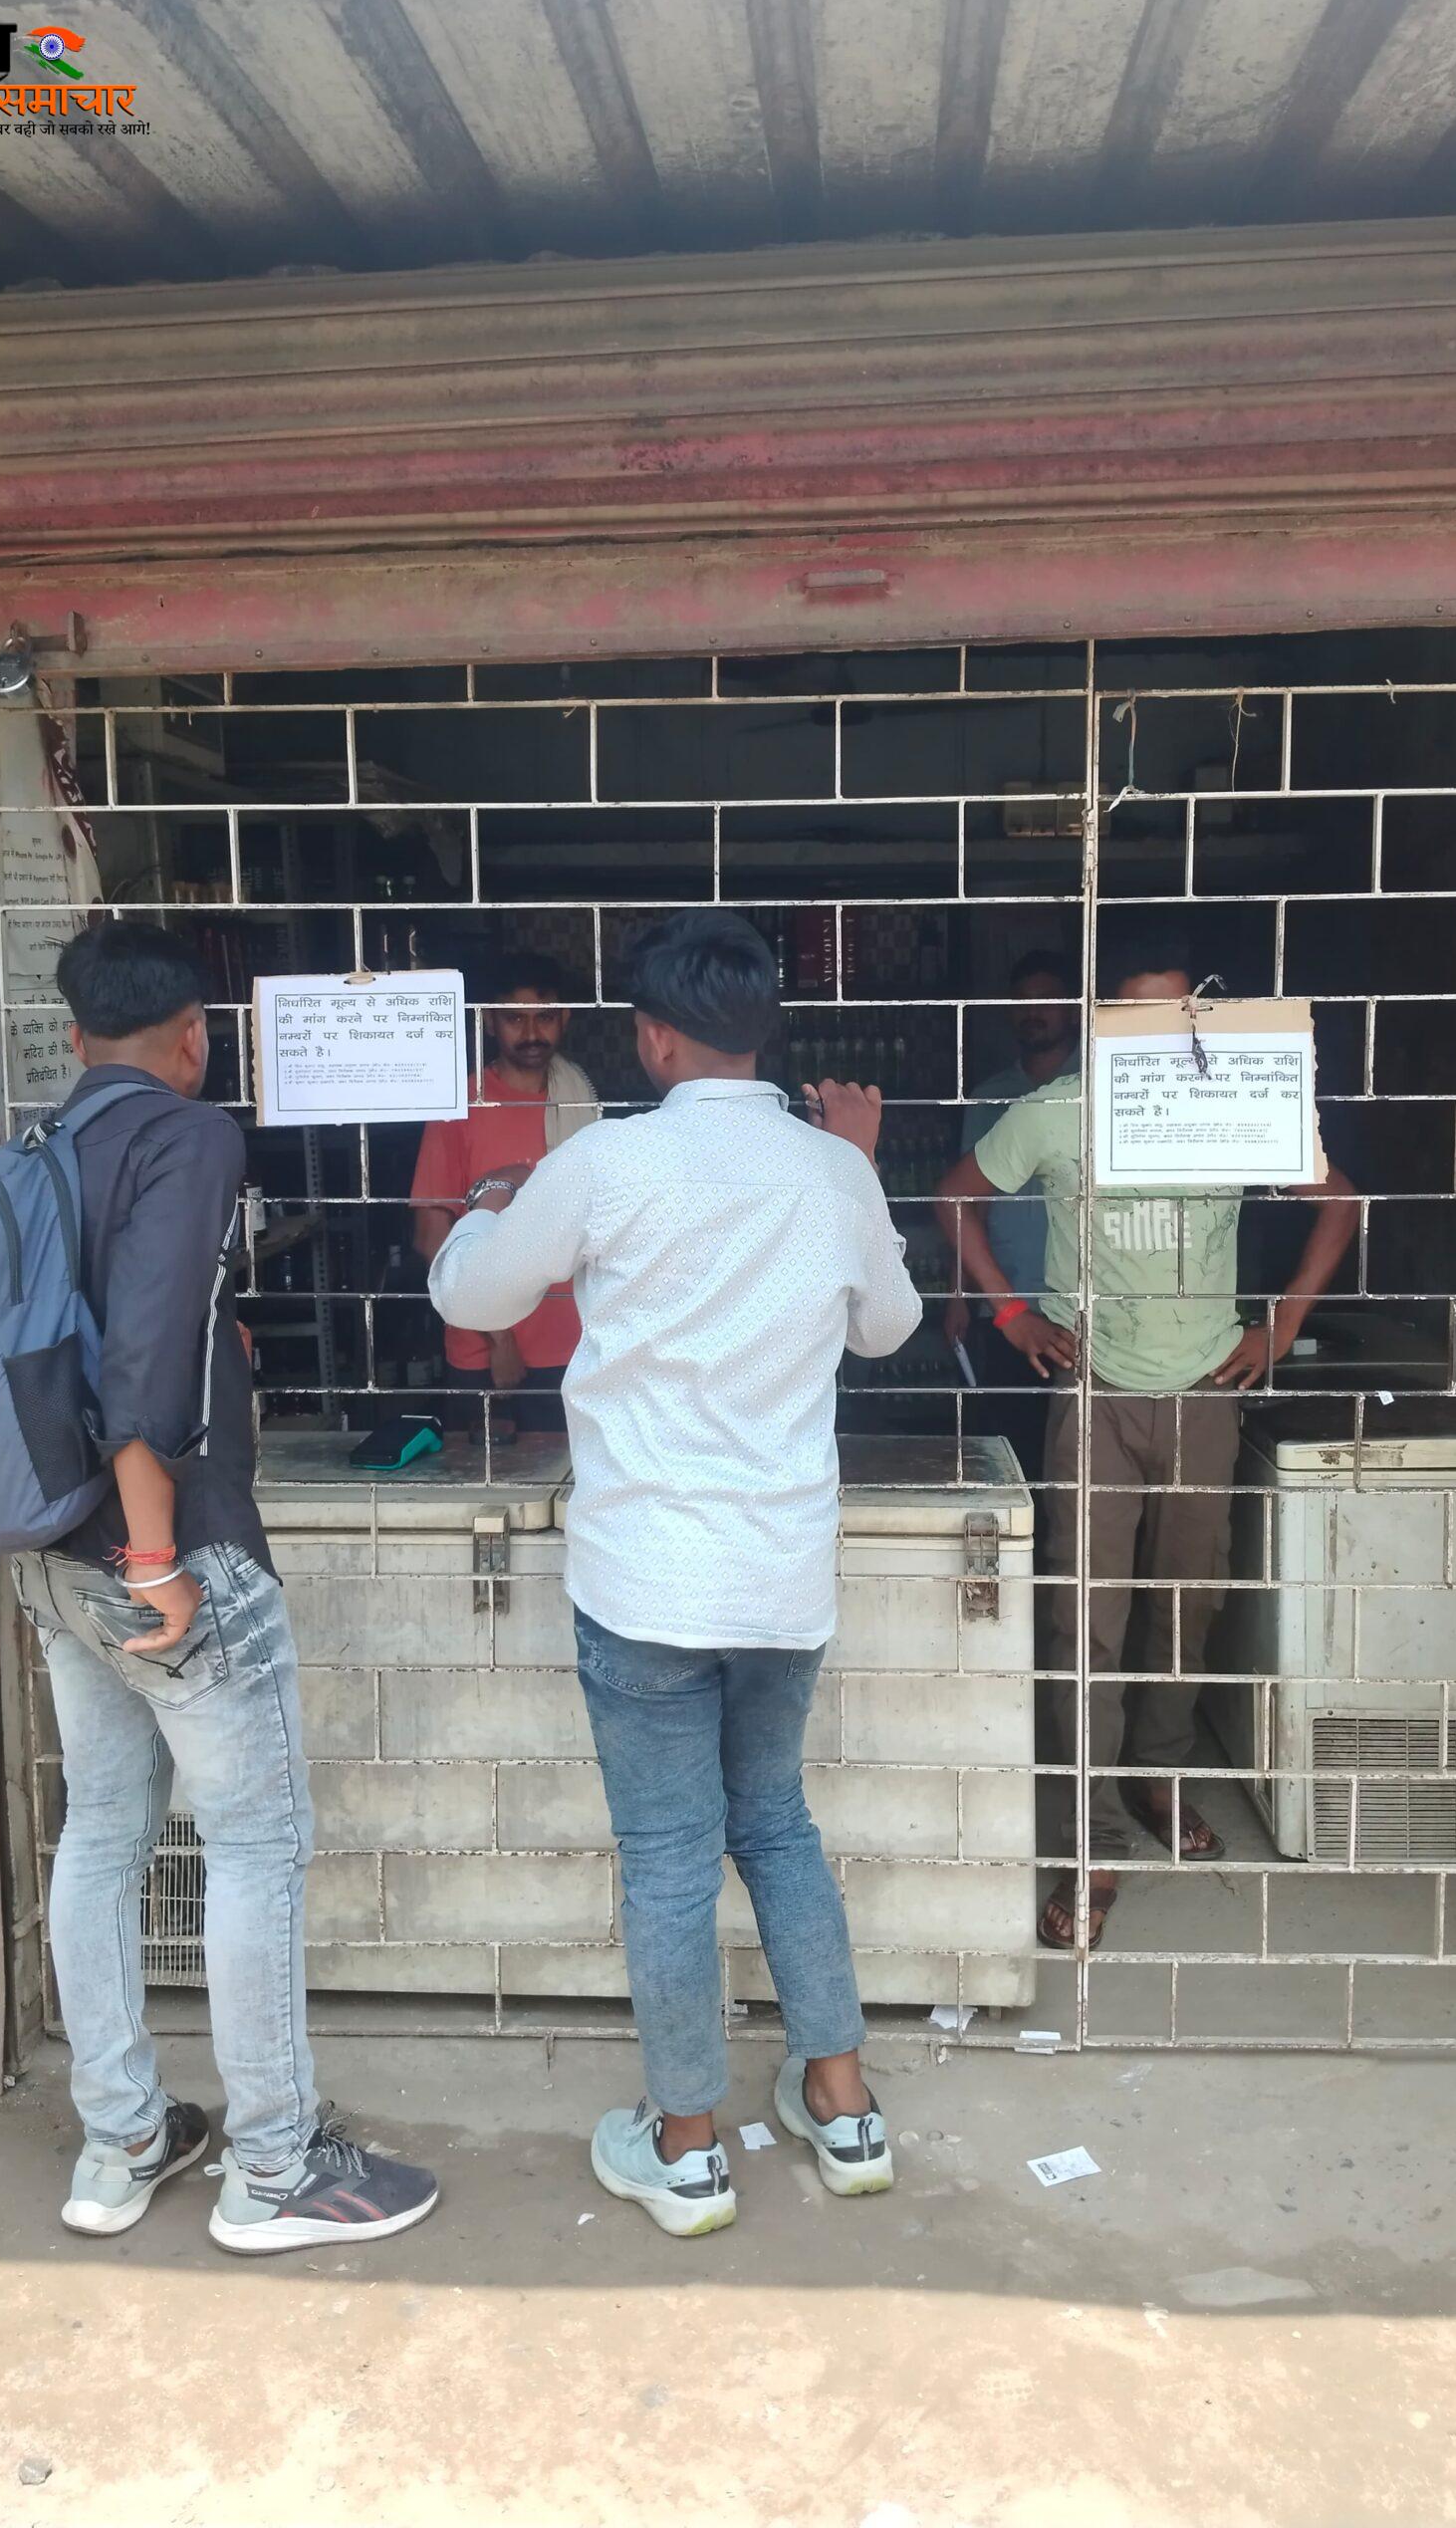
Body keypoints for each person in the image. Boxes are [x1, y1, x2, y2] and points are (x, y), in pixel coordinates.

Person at [427, 909, 922, 2237]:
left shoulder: (601, 1162)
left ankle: (688, 2147)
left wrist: (481, 1216)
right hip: (778, 1577)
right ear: (762, 1029)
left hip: (644, 1577)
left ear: (650, 1039)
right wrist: (859, 1182)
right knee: (775, 1823)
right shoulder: (831, 1170)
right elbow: (886, 1329)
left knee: (665, 1860)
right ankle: (844, 2108)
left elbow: (473, 1300)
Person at [22, 923, 436, 2252]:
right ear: (195, 1036)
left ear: (76, 1035)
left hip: (52, 1555)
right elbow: (140, 1366)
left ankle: (123, 2140)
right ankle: (273, 2168)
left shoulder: (44, 1146)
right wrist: (156, 1555)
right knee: (254, 1844)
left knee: (103, 1830)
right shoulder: (188, 1137)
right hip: (163, 1551)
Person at [934, 931, 1358, 1950]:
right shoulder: (1057, 1112)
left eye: (1178, 1015)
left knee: (1185, 1606)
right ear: (1105, 1026)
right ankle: (1090, 1839)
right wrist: (1011, 1315)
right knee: (1084, 1621)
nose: (1161, 1036)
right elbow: (954, 1199)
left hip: (1204, 1392)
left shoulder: (1233, 1105)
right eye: (1136, 1017)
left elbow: (1338, 1204)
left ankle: (1158, 1780)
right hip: (1094, 1397)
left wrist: (1280, 1326)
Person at [410, 949, 599, 1435]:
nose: (532, 1033)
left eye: (545, 1017)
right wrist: (500, 1340)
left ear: (565, 1018)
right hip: (485, 1354)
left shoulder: (582, 1102)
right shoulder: (461, 1106)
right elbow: (432, 1236)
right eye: (515, 1018)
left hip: (575, 1345)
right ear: (490, 1022)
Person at [943, 948, 1077, 1460]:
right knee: (1012, 1445)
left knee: (1076, 1449)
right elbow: (965, 1204)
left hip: (1085, 1310)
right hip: (1009, 1303)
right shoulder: (990, 1097)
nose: (1032, 1011)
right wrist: (959, 1296)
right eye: (1021, 1001)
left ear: (1072, 1009)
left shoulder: (1102, 1087)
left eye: (1046, 1000)